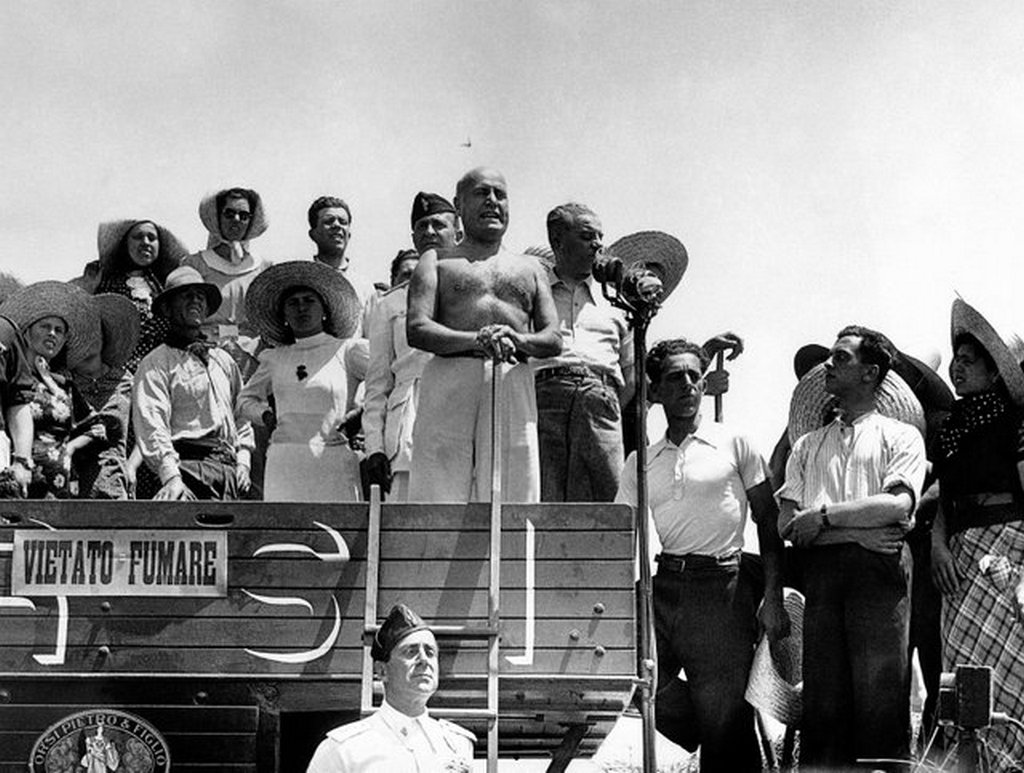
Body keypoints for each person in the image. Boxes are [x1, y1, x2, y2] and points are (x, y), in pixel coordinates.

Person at [616, 338, 788, 772]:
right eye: (675, 377)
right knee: (631, 672)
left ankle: (717, 722)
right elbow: (621, 534)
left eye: (695, 376)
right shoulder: (642, 461)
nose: (689, 385)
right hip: (665, 582)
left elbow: (768, 521)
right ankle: (702, 723)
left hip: (723, 588)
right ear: (654, 392)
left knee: (725, 725)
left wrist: (773, 596)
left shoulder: (735, 443)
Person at [778, 325, 927, 771]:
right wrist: (855, 531)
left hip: (879, 576)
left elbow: (897, 505)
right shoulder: (806, 445)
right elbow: (788, 523)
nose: (828, 364)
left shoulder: (900, 437)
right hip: (823, 578)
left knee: (880, 693)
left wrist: (823, 518)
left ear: (870, 373)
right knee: (824, 697)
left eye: (841, 357)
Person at [406, 168, 561, 503]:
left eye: (499, 194)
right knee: (437, 488)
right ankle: (435, 555)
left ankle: (513, 556)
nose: (492, 201)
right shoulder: (437, 261)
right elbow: (417, 329)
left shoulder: (531, 268)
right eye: (481, 193)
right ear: (459, 205)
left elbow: (553, 338)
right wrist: (477, 339)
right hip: (450, 376)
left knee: (516, 489)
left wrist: (517, 340)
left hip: (512, 377)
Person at [930, 299, 1024, 770]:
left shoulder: (1016, 422)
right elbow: (944, 496)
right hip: (961, 555)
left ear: (994, 372)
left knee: (1010, 666)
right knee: (964, 666)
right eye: (955, 360)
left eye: (968, 362)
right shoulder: (950, 428)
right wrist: (937, 545)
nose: (956, 368)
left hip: (1008, 547)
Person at [239, 261, 366, 502]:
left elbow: (385, 381)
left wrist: (361, 411)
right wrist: (265, 415)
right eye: (292, 303)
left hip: (333, 458)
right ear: (284, 314)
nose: (301, 308)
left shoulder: (348, 351)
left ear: (325, 309)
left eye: (309, 301)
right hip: (285, 462)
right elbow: (244, 400)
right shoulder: (274, 358)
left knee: (338, 534)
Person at [362, 192, 459, 501]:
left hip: (461, 414)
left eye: (438, 225)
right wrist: (374, 447)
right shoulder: (391, 302)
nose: (429, 232)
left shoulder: (472, 289)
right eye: (421, 226)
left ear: (458, 232)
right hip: (409, 423)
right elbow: (377, 384)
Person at [306, 603, 475, 772]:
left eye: (430, 652)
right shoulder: (343, 750)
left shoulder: (457, 744)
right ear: (382, 671)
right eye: (411, 652)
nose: (424, 660)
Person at [132, 266, 254, 500]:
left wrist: (244, 461)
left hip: (229, 473)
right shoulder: (157, 363)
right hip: (187, 470)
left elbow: (242, 412)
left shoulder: (223, 360)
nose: (195, 300)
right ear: (167, 308)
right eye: (186, 295)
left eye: (200, 296)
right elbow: (152, 422)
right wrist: (171, 477)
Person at [0, 282, 103, 498]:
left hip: (58, 485)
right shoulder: (9, 376)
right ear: (26, 333)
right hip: (14, 475)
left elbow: (98, 428)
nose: (52, 334)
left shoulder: (63, 385)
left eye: (59, 330)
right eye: (45, 327)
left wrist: (69, 449)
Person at [182, 186, 272, 374]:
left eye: (243, 215)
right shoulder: (195, 264)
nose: (236, 220)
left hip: (251, 357)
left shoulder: (264, 267)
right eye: (229, 214)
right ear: (218, 217)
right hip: (204, 353)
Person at [94, 218, 189, 373]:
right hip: (120, 376)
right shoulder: (105, 284)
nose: (145, 242)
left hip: (162, 372)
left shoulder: (164, 287)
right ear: (125, 244)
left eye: (152, 238)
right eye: (138, 237)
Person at [71, 293, 140, 499]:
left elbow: (146, 430)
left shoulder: (126, 379)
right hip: (71, 483)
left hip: (116, 481)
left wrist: (132, 466)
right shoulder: (63, 379)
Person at [308, 195, 384, 335]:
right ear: (313, 234)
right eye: (328, 221)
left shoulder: (364, 287)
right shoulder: (304, 281)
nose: (337, 225)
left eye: (343, 222)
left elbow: (373, 338)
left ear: (349, 234)